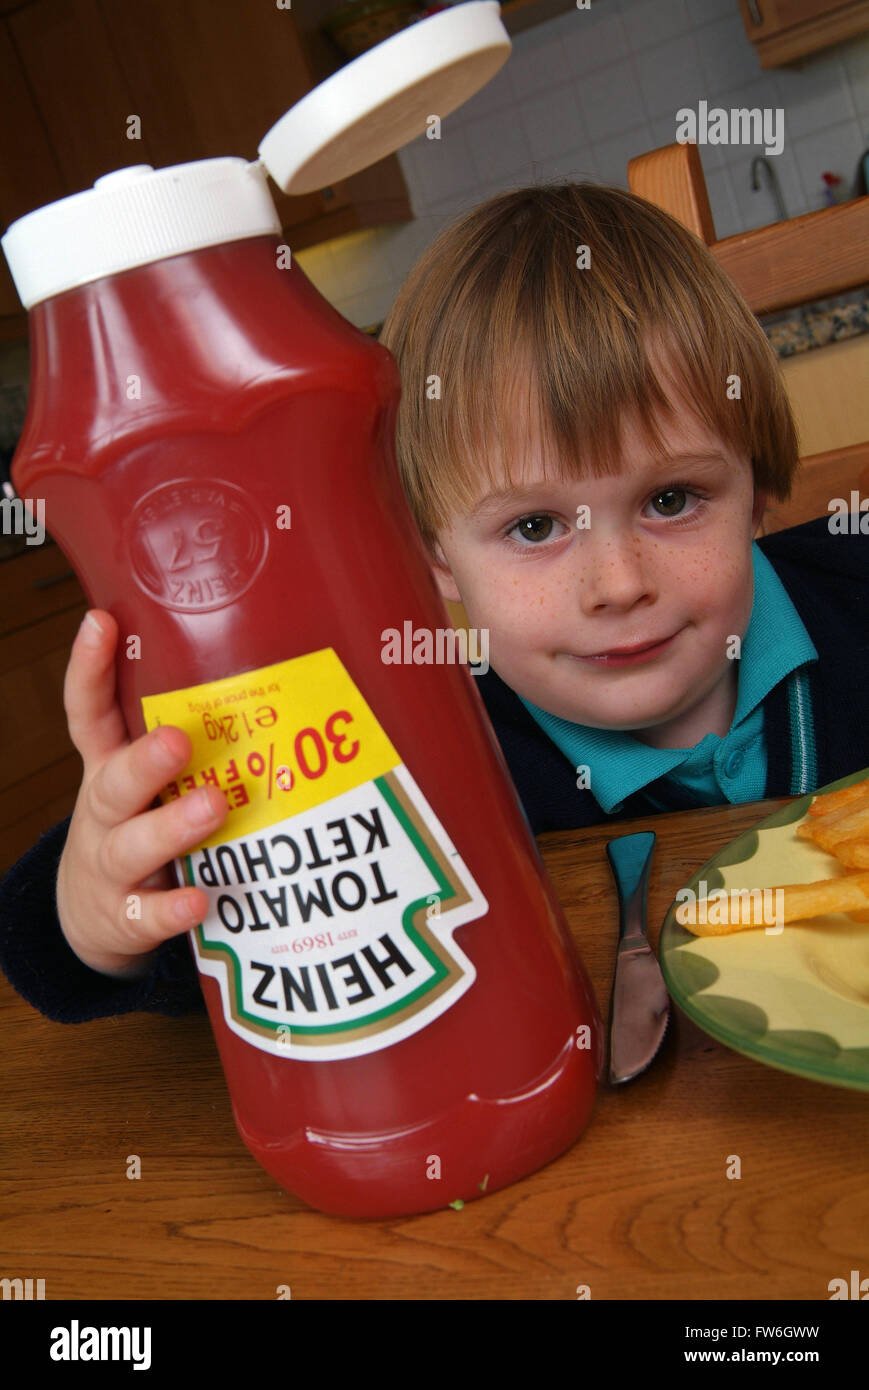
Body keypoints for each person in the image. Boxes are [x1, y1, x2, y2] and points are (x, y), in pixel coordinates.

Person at [1, 182, 867, 1024]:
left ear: (757, 487)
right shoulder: (421, 762)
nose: (618, 583)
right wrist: (91, 915)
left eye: (672, 500)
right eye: (533, 526)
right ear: (431, 554)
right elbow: (200, 936)